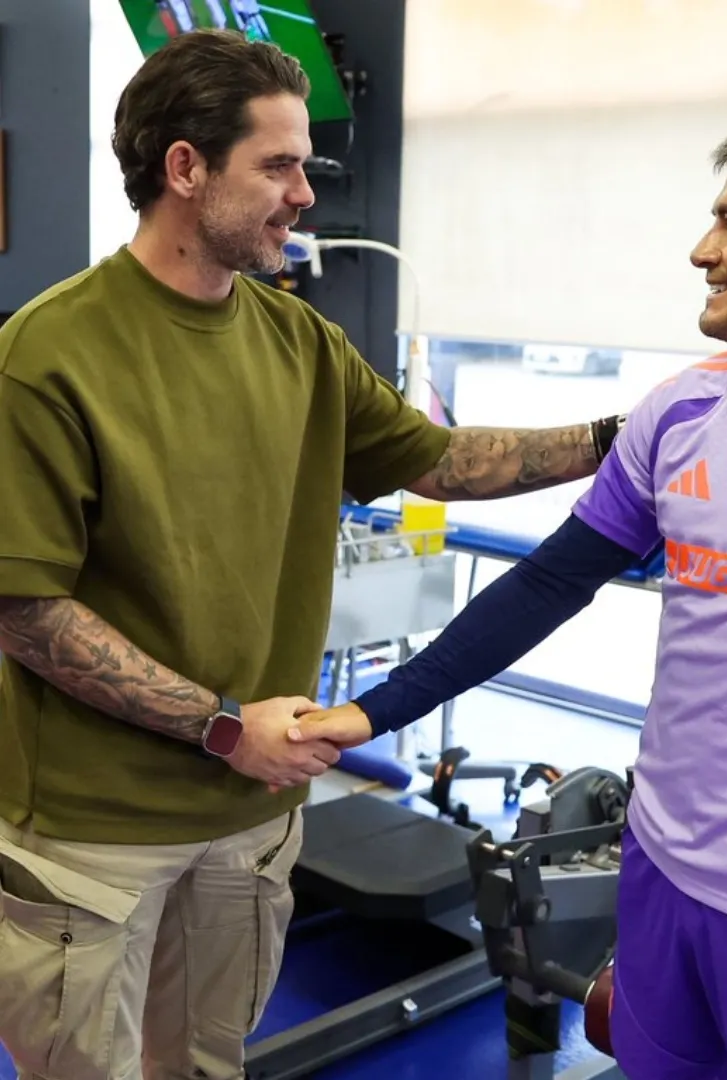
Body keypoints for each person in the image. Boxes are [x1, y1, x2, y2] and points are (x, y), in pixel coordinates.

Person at [289, 108, 727, 1080]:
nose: (702, 250)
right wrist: (368, 710)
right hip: (657, 881)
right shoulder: (680, 410)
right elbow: (552, 583)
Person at [0, 30, 618, 1080]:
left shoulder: (301, 342)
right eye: (277, 166)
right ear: (185, 169)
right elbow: (26, 608)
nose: (306, 196)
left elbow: (441, 461)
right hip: (94, 837)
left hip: (254, 818)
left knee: (207, 1064)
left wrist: (629, 437)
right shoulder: (46, 355)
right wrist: (224, 726)